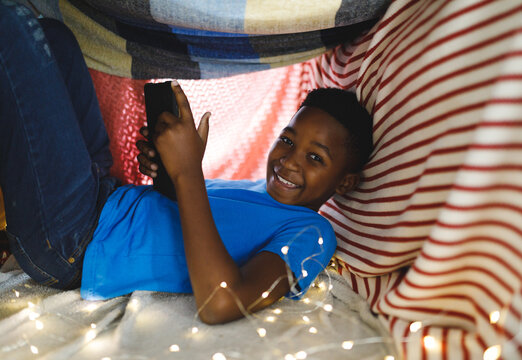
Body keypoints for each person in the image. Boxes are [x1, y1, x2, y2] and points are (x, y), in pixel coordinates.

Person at [0, 2, 372, 324]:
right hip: (106, 195)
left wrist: (188, 171)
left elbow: (222, 302)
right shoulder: (257, 191)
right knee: (55, 37)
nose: (290, 160)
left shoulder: (312, 234)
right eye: (288, 140)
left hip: (78, 241)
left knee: (13, 23)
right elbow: (179, 217)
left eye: (314, 158)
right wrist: (167, 172)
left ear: (344, 183)